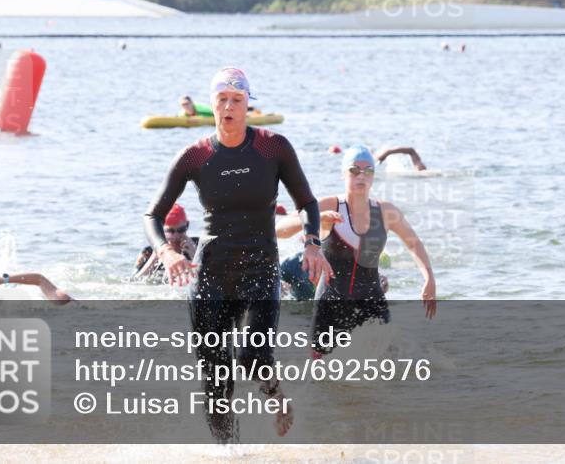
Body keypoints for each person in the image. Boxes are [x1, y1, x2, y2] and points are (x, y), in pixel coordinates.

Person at [144, 66, 329, 443]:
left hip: (260, 269)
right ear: (211, 105)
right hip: (212, 274)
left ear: (248, 106)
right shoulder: (194, 156)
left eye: (237, 100)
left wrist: (312, 242)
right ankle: (231, 453)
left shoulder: (273, 147)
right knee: (215, 380)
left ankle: (277, 396)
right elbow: (153, 214)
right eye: (222, 100)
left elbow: (307, 202)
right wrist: (165, 251)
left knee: (252, 357)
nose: (229, 107)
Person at [277, 144, 436, 358]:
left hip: (371, 302)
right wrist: (314, 219)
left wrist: (429, 278)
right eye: (354, 170)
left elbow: (414, 243)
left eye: (368, 171)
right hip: (330, 303)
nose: (361, 176)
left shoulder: (386, 211)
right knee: (317, 378)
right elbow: (280, 230)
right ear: (343, 174)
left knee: (391, 369)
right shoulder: (329, 205)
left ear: (373, 175)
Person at [133, 203, 198, 282]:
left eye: (181, 230)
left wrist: (196, 256)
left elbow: (214, 277)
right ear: (160, 229)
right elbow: (133, 282)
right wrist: (154, 258)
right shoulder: (148, 253)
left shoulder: (198, 245)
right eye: (170, 231)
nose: (176, 236)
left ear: (187, 225)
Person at [0, 272, 74, 305]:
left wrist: (2, 279)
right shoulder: (63, 299)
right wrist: (3, 279)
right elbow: (39, 279)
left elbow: (39, 279)